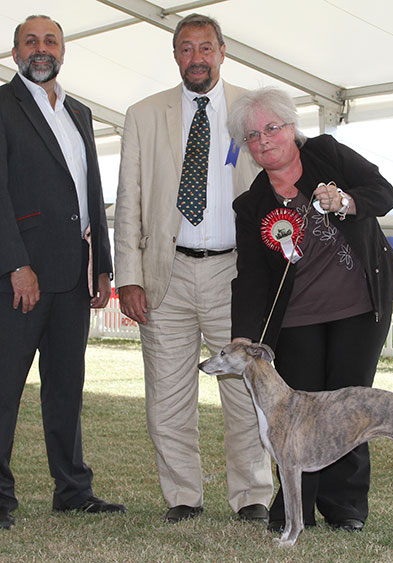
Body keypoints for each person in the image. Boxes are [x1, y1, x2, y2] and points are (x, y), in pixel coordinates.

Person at [114, 13, 273, 523]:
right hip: (168, 275)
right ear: (176, 56)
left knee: (247, 390)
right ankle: (183, 496)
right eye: (186, 49)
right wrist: (129, 277)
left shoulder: (254, 110)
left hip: (237, 276)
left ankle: (251, 495)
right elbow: (129, 197)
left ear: (223, 52)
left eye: (206, 48)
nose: (196, 58)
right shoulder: (143, 114)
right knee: (167, 393)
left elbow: (281, 182)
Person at [227, 87, 393, 533]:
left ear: (292, 128)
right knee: (296, 412)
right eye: (252, 136)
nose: (264, 140)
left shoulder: (327, 154)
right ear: (246, 147)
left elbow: (382, 192)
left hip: (358, 306)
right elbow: (251, 275)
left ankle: (345, 508)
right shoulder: (251, 205)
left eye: (272, 128)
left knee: (350, 404)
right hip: (297, 318)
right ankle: (294, 509)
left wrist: (345, 201)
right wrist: (244, 334)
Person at [0, 15, 126, 530]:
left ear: (63, 50)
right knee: (5, 387)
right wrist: (15, 263)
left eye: (50, 40)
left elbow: (92, 191)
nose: (41, 48)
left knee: (66, 388)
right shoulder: (2, 107)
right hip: (20, 278)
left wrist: (103, 268)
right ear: (14, 53)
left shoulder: (79, 110)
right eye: (30, 41)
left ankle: (73, 490)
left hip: (76, 274)